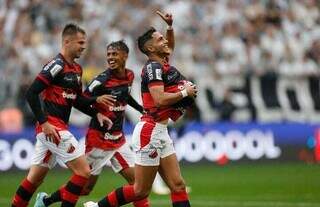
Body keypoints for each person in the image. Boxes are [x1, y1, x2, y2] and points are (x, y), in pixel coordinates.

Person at [84, 11, 197, 207]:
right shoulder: (153, 68)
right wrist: (185, 93)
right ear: (151, 48)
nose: (165, 41)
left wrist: (170, 27)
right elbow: (159, 99)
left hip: (160, 131)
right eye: (160, 39)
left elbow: (170, 45)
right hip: (149, 132)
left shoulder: (162, 62)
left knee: (178, 185)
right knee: (140, 190)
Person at [34, 40, 149, 207]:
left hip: (118, 139)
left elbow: (125, 95)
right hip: (99, 140)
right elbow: (81, 98)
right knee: (85, 187)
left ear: (125, 56)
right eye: (108, 54)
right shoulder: (102, 80)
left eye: (114, 54)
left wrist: (140, 108)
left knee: (138, 184)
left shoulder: (130, 76)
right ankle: (46, 200)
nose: (110, 57)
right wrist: (97, 99)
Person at [11, 23, 114, 207]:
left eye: (85, 43)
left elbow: (77, 100)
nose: (84, 46)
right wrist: (44, 123)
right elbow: (31, 93)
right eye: (80, 42)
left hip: (55, 129)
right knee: (83, 172)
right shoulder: (56, 65)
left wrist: (95, 111)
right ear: (67, 41)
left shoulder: (76, 70)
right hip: (52, 127)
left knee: (34, 179)